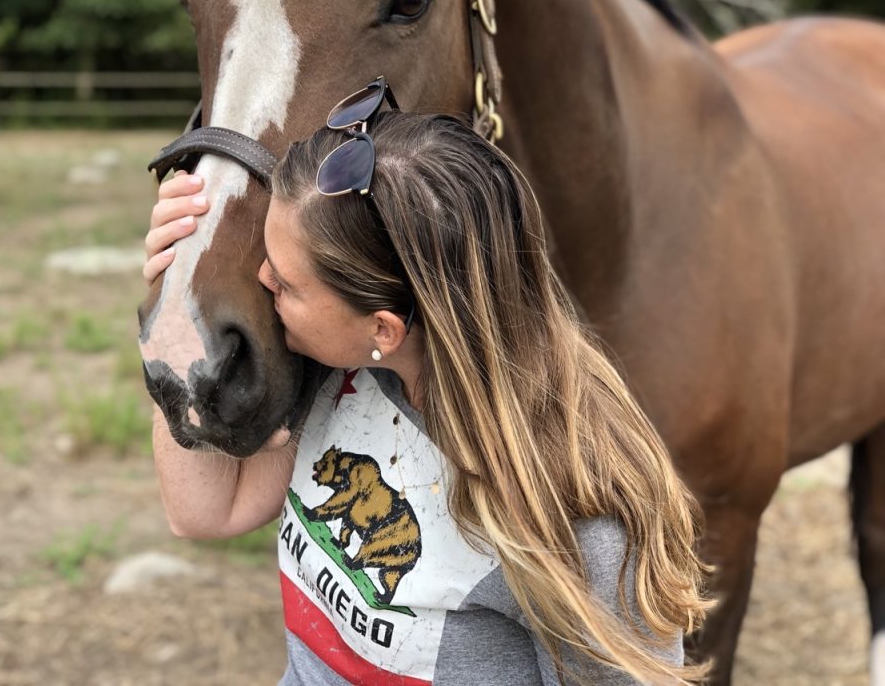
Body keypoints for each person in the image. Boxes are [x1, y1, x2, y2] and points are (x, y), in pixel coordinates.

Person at [142, 90, 710, 685]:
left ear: (382, 327)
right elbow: (204, 510)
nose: (261, 281)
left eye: (285, 283)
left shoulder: (580, 523)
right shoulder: (344, 370)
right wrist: (175, 298)